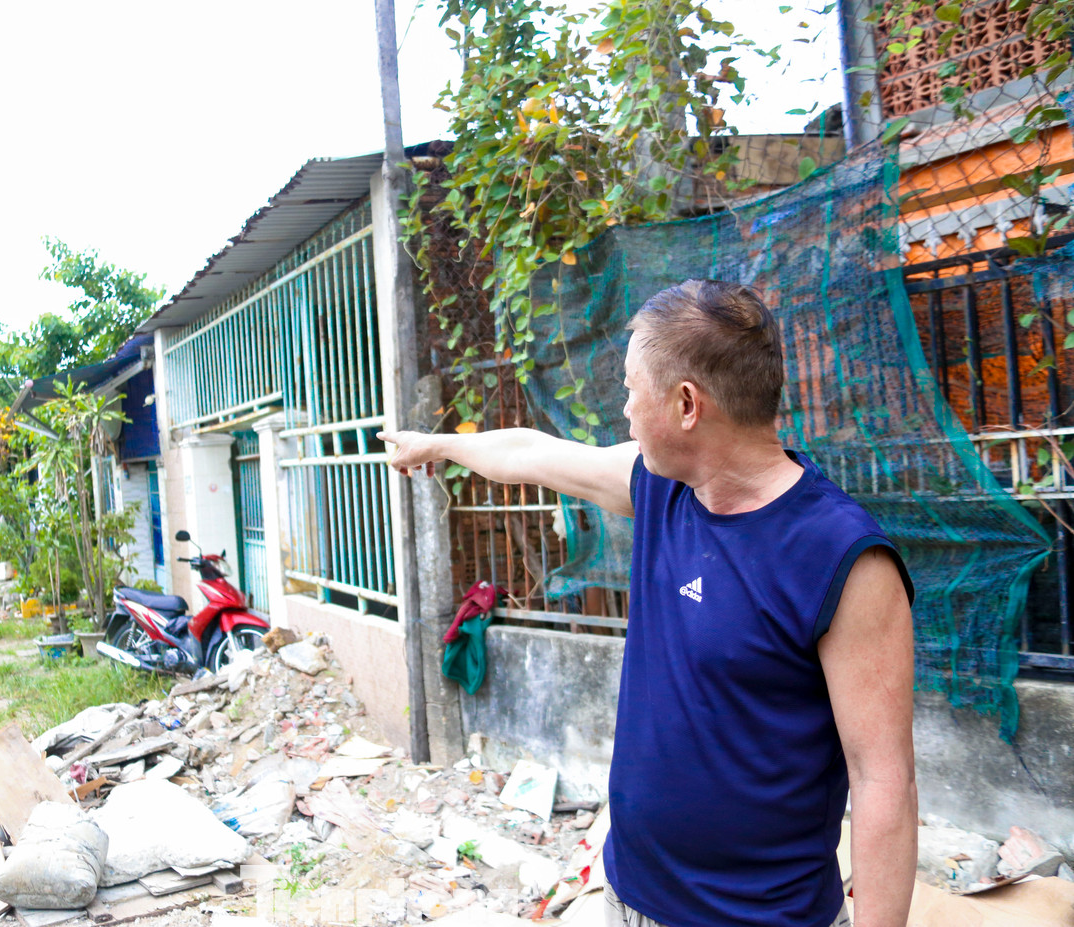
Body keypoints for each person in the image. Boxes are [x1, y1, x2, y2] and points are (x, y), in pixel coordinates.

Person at [379, 280, 917, 927]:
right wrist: (435, 446)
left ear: (687, 404)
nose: (625, 409)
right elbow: (533, 453)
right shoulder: (664, 491)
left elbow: (884, 779)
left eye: (632, 388)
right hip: (629, 897)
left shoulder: (843, 556)